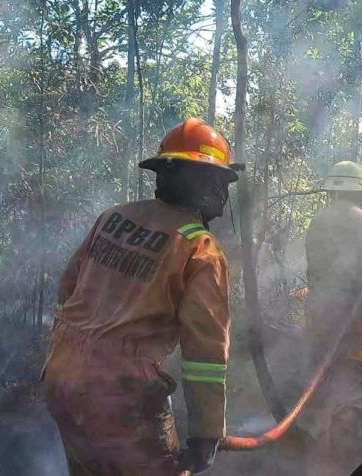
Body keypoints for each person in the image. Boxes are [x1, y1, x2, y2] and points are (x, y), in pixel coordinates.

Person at [41, 118, 239, 475]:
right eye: (222, 182)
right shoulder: (200, 248)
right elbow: (205, 354)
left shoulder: (114, 217)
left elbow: (67, 288)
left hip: (62, 376)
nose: (223, 195)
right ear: (207, 184)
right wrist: (207, 434)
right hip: (121, 396)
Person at [303, 160, 362, 474]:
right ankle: (344, 460)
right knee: (352, 383)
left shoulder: (317, 220)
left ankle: (313, 451)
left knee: (320, 380)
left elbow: (314, 269)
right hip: (351, 318)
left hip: (317, 314)